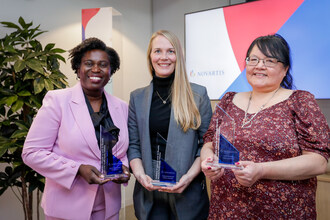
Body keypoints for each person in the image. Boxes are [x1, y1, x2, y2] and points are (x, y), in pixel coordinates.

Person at [201, 33, 330, 219]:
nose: (259, 66)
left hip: (282, 211)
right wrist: (209, 162)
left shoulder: (300, 101)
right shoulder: (228, 100)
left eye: (269, 61)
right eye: (253, 59)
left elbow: (318, 161)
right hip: (226, 209)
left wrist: (261, 170)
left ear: (285, 69)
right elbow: (209, 144)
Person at [22, 37, 130, 220]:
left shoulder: (121, 107)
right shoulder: (57, 101)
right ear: (78, 69)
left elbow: (120, 151)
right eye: (89, 63)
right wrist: (77, 169)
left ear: (110, 72)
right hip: (67, 208)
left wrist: (124, 167)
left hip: (108, 208)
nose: (96, 69)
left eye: (103, 65)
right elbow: (31, 153)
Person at [128, 30, 212, 220]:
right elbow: (133, 145)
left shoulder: (198, 95)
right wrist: (141, 176)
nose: (164, 57)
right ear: (150, 56)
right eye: (157, 51)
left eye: (170, 51)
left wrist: (188, 178)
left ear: (179, 56)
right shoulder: (137, 97)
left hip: (187, 193)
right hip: (149, 194)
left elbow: (206, 144)